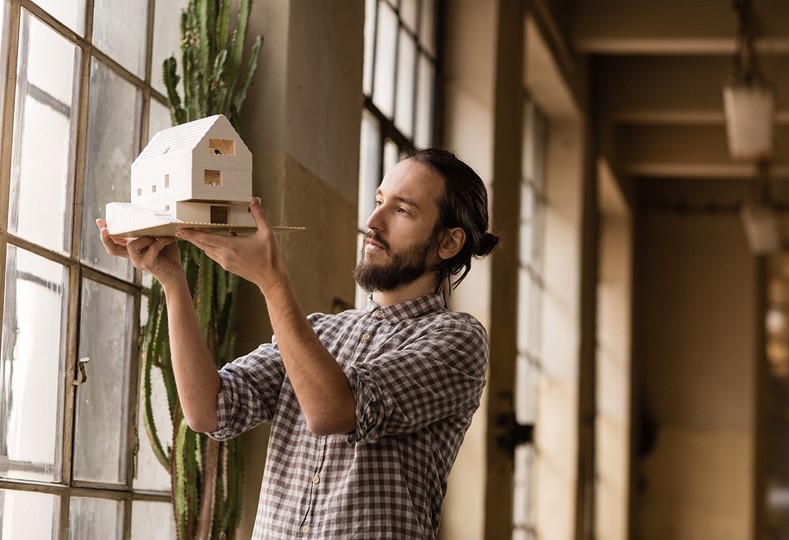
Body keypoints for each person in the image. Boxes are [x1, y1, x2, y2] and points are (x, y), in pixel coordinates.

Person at [97, 148, 499, 539]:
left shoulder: (458, 339)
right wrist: (172, 280)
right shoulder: (319, 331)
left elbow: (332, 411)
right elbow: (209, 411)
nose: (373, 221)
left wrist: (272, 282)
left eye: (402, 210)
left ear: (449, 243)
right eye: (379, 201)